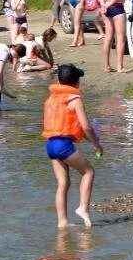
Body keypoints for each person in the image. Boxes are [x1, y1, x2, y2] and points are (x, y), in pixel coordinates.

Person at [42, 64, 102, 228]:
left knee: (63, 183)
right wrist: (97, 145)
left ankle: (62, 222)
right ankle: (83, 208)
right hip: (63, 144)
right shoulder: (75, 99)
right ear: (76, 83)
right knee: (88, 172)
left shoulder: (51, 99)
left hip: (50, 145)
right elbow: (86, 127)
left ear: (59, 81)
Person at [97, 0, 128, 74]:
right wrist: (108, 4)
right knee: (120, 38)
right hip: (116, 7)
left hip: (107, 7)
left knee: (108, 37)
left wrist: (103, 5)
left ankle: (107, 66)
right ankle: (120, 67)